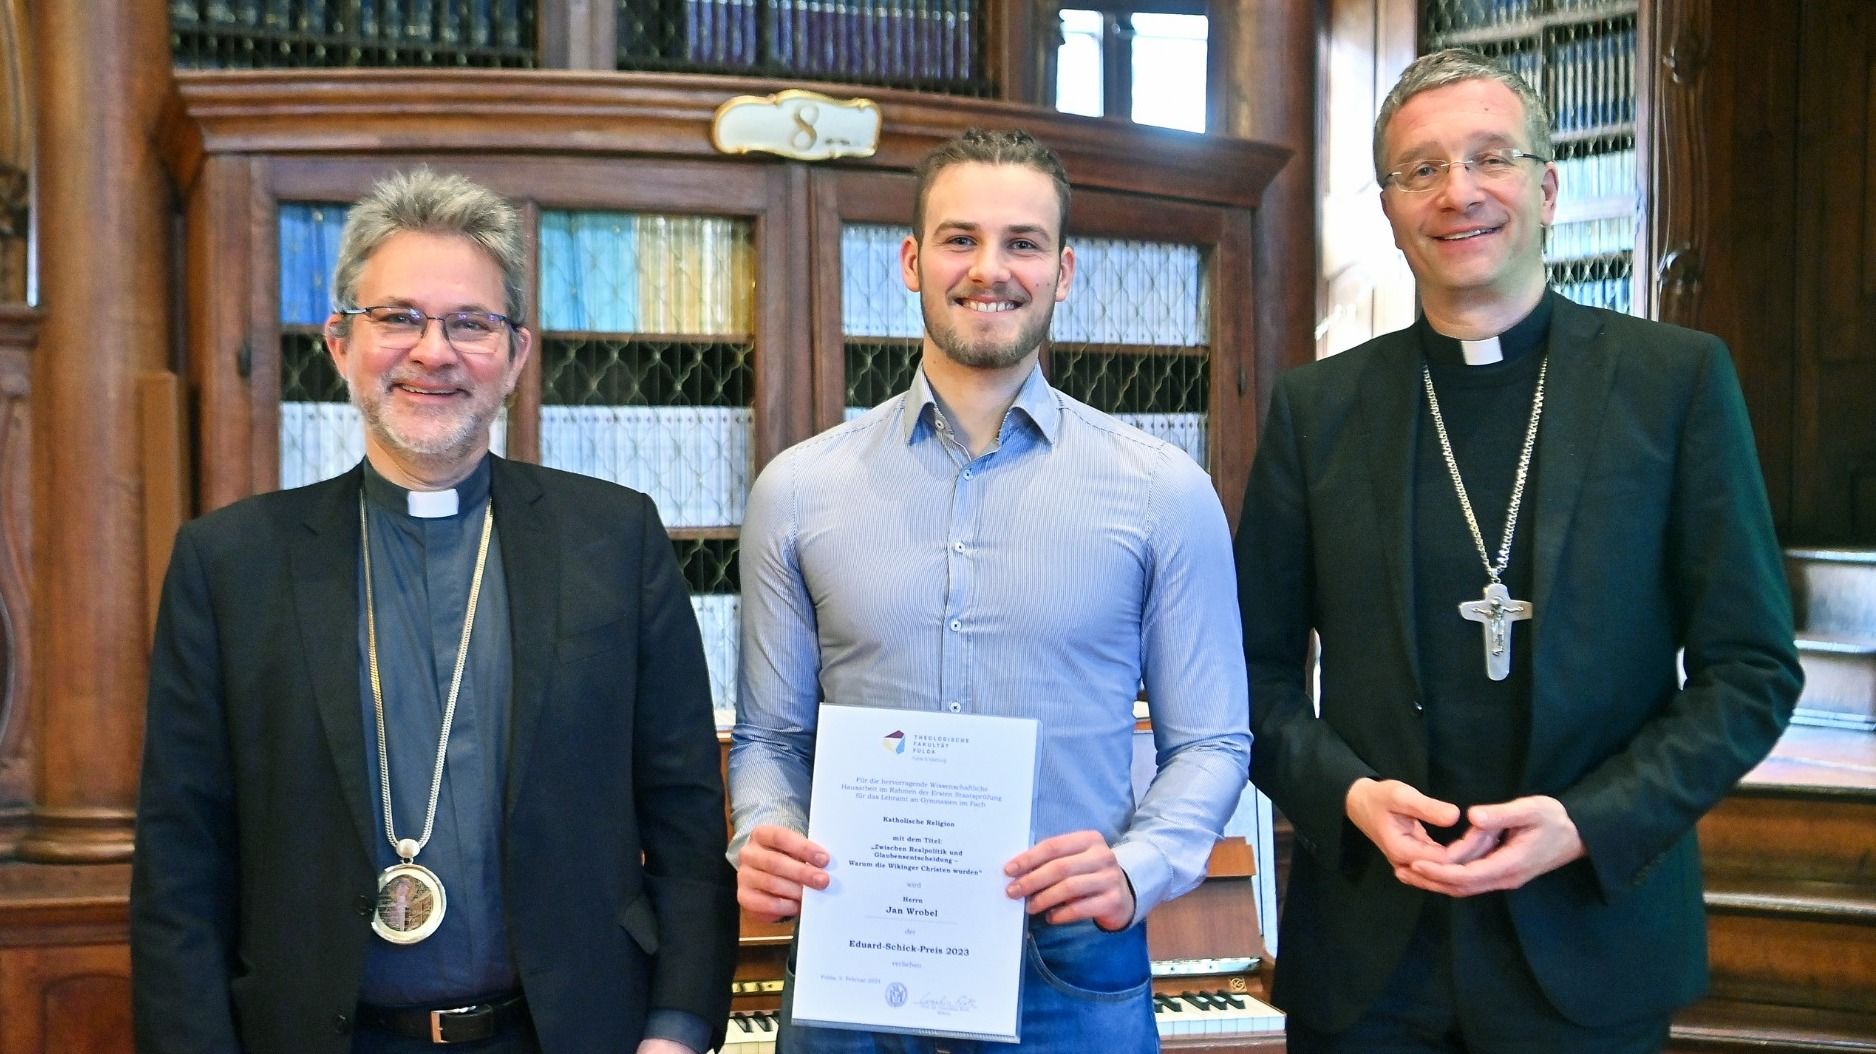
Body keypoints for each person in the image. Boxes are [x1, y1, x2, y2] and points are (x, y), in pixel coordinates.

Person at [1236, 47, 1804, 1053]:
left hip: (1591, 935)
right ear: (1388, 207)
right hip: (1371, 954)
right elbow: (1253, 672)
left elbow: (1750, 670)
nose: (1459, 191)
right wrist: (1350, 797)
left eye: (1489, 158)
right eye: (1421, 168)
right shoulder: (1315, 409)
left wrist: (1588, 820)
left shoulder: (1673, 384)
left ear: (1544, 187)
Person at [130, 169, 738, 1054]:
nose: (433, 351)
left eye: (470, 324)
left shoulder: (615, 538)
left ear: (517, 354)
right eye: (399, 317)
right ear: (340, 342)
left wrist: (678, 1029)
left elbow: (685, 821)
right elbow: (180, 869)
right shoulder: (230, 565)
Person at [728, 128, 1250, 1052]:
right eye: (961, 239)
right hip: (859, 947)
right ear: (911, 260)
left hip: (1069, 959)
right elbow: (772, 737)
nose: (991, 269)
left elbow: (1211, 741)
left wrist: (1139, 868)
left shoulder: (1165, 491)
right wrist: (764, 827)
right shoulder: (797, 491)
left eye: (1023, 242)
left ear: (1065, 268)